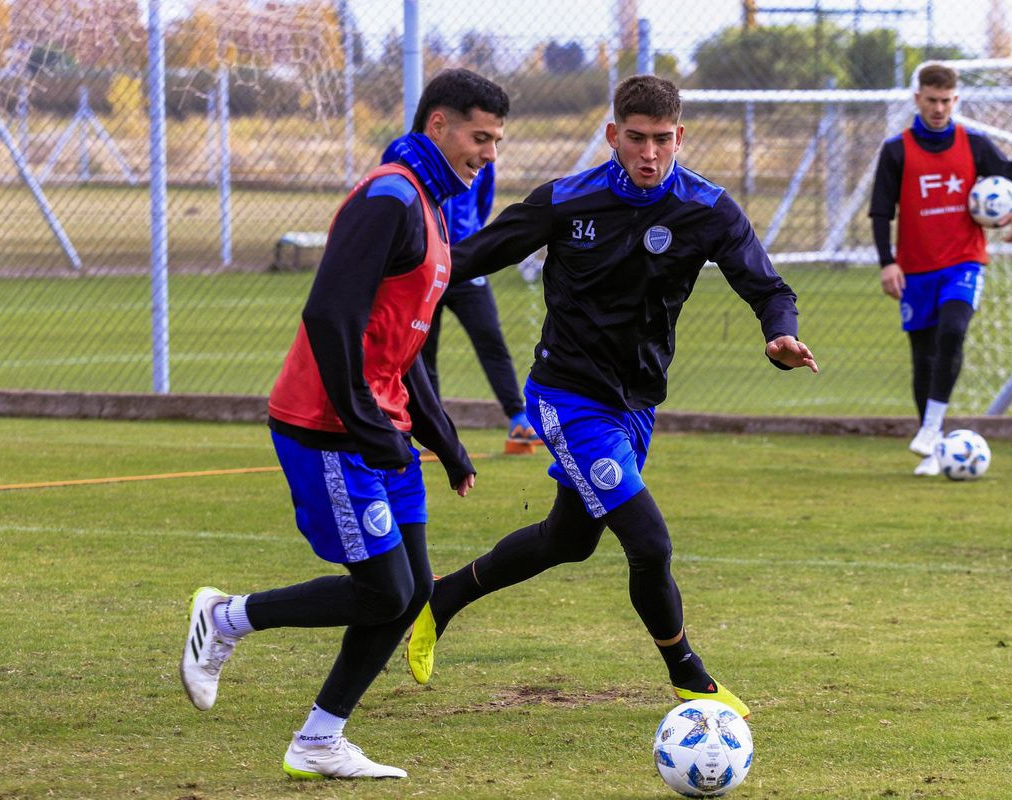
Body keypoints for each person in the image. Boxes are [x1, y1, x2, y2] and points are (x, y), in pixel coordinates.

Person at [404, 74, 818, 719]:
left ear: (679, 137)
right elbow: (473, 254)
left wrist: (781, 335)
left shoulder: (707, 208)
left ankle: (443, 598)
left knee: (567, 541)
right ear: (612, 135)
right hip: (567, 396)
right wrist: (393, 273)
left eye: (661, 140)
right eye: (635, 139)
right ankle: (692, 679)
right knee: (649, 543)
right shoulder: (569, 200)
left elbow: (770, 288)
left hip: (636, 405)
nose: (649, 153)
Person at [178, 68, 509, 780]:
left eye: (496, 140)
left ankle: (320, 739)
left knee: (411, 589)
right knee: (383, 591)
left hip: (378, 429)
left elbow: (402, 340)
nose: (488, 153)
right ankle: (227, 617)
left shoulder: (432, 207)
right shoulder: (390, 197)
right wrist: (365, 424)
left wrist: (442, 439)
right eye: (480, 137)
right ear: (439, 125)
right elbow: (329, 315)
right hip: (328, 425)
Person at [869, 62, 1012, 476]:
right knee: (923, 357)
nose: (939, 108)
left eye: (946, 101)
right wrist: (888, 264)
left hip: (964, 261)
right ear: (918, 98)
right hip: (915, 269)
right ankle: (933, 449)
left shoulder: (974, 144)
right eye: (932, 100)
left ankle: (931, 429)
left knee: (954, 330)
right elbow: (881, 212)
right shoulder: (897, 150)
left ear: (955, 100)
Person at [377, 143, 540, 455]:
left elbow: (483, 201)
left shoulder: (479, 148)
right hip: (422, 266)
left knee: (490, 339)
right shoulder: (401, 150)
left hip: (465, 266)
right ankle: (432, 433)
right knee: (421, 352)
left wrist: (467, 241)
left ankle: (518, 418)